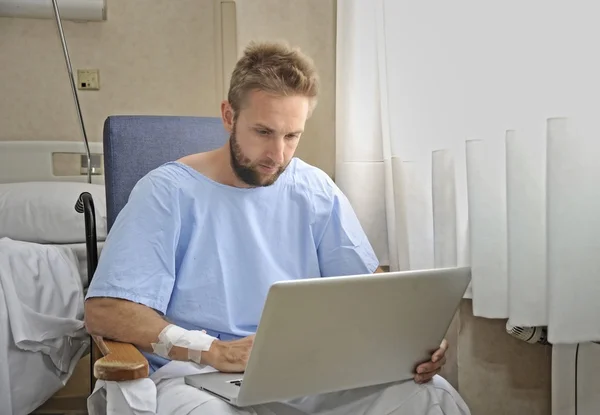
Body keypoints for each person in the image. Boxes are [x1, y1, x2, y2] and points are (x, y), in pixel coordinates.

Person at [84, 41, 470, 415]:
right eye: (264, 132)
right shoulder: (166, 193)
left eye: (292, 136)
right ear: (229, 116)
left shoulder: (314, 189)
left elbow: (371, 295)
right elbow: (106, 312)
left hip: (308, 375)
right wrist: (216, 351)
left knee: (431, 397)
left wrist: (408, 342)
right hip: (200, 377)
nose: (278, 155)